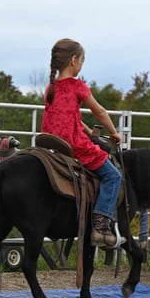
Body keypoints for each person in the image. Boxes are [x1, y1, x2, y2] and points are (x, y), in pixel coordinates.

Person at [41, 38, 125, 247]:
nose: (81, 64)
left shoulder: (51, 88)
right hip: (74, 145)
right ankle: (100, 226)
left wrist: (88, 131)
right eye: (82, 60)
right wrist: (114, 132)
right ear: (74, 60)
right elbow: (99, 111)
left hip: (52, 142)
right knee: (113, 176)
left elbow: (69, 117)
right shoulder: (77, 86)